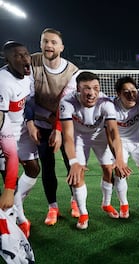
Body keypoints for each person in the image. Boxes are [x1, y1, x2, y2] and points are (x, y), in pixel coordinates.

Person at [60, 71, 132, 229]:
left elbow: (113, 133)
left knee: (109, 169)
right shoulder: (67, 102)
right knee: (78, 174)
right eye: (86, 88)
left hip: (99, 136)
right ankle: (83, 213)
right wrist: (73, 162)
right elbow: (68, 137)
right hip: (79, 138)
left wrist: (119, 159)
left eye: (95, 88)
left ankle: (106, 204)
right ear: (78, 90)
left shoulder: (106, 103)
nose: (92, 93)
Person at [24, 28, 80, 226]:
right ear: (40, 43)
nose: (49, 45)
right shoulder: (31, 62)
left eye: (54, 42)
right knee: (47, 167)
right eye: (45, 41)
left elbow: (66, 103)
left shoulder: (73, 71)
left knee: (71, 164)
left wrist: (57, 129)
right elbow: (28, 98)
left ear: (61, 47)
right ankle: (53, 207)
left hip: (65, 124)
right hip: (40, 123)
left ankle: (75, 202)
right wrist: (35, 122)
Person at [0, 41, 39, 238]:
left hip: (21, 130)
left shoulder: (27, 75)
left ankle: (16, 206)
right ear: (7, 59)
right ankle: (19, 220)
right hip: (4, 134)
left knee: (33, 168)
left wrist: (30, 122)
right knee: (11, 180)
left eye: (26, 54)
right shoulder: (3, 82)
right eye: (17, 55)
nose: (24, 58)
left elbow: (29, 101)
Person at [113, 76, 139, 216]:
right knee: (120, 173)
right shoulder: (112, 107)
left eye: (133, 90)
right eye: (126, 92)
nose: (131, 95)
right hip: (120, 142)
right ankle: (123, 204)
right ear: (118, 94)